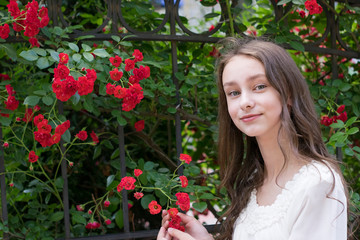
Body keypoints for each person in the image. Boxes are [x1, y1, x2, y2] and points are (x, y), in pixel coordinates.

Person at [157, 38, 348, 240]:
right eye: (234, 92)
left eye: (259, 86)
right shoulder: (252, 181)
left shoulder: (317, 183)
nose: (245, 102)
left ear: (289, 94)